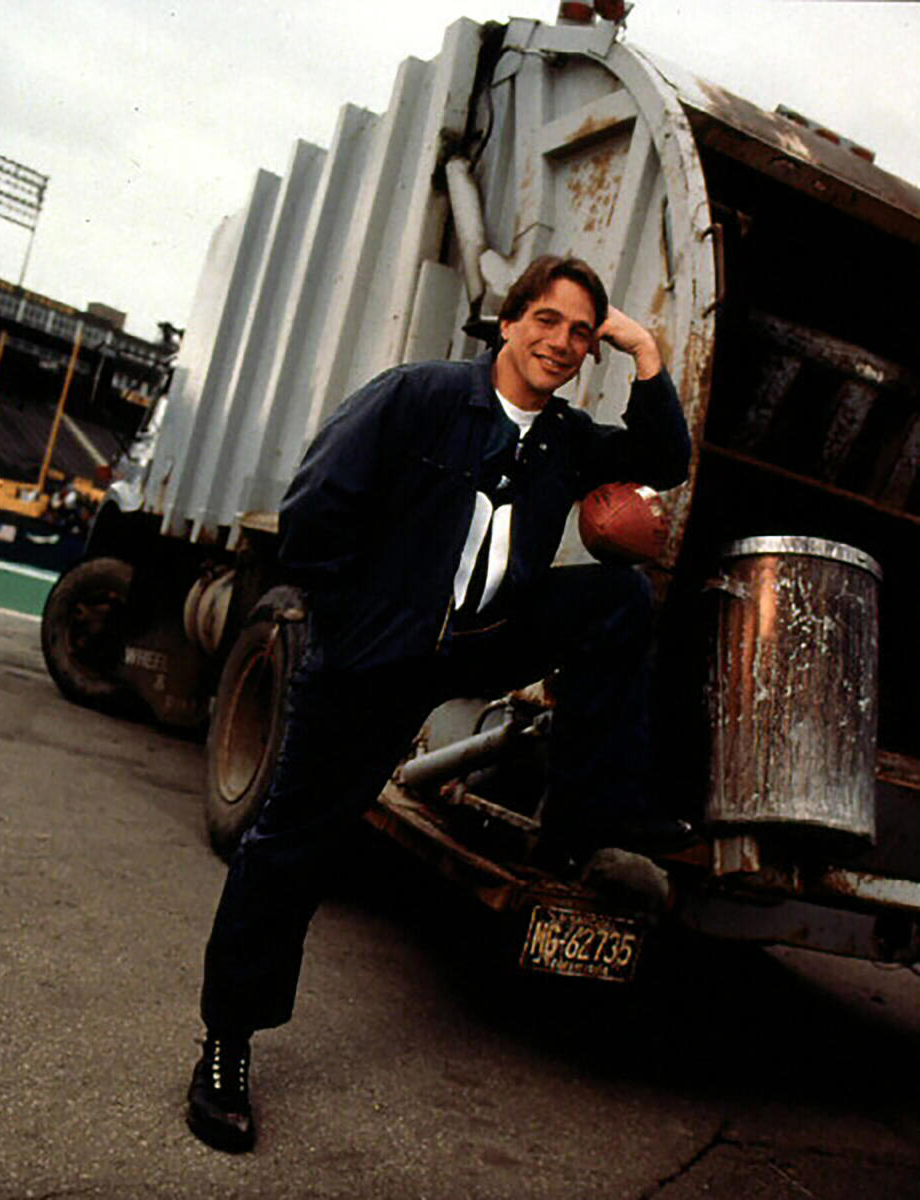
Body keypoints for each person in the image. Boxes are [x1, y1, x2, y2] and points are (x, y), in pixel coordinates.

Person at [186, 254, 692, 1153]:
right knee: (293, 846)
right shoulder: (418, 395)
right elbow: (313, 515)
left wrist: (645, 350)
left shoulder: (566, 439)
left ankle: (585, 815)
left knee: (619, 598)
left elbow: (663, 460)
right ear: (508, 323)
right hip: (374, 657)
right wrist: (366, 627)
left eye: (581, 332)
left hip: (481, 640)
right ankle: (227, 1046)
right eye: (547, 320)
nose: (564, 344)